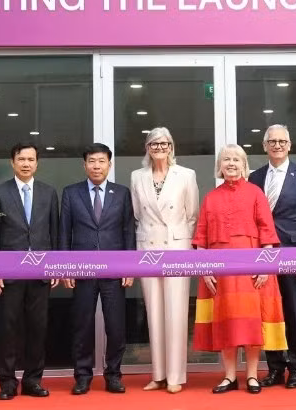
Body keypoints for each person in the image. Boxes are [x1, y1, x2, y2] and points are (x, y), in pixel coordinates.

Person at [192, 144, 287, 394]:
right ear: (219, 166)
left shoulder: (256, 193)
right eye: (226, 159)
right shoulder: (210, 198)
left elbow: (267, 232)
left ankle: (253, 376)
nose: (231, 163)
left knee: (252, 324)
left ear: (244, 166)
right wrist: (204, 270)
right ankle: (230, 376)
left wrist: (266, 266)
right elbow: (200, 238)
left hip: (253, 270)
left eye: (236, 159)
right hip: (220, 272)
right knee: (226, 323)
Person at [59, 143, 136, 395]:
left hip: (114, 271)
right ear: (85, 165)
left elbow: (128, 232)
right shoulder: (71, 193)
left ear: (109, 165)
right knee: (81, 325)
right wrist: (65, 268)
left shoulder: (121, 193)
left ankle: (113, 375)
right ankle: (82, 376)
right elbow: (64, 233)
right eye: (91, 161)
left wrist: (129, 267)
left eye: (101, 161)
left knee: (116, 326)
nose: (96, 166)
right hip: (82, 270)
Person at [0, 143, 59, 401]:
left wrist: (55, 266)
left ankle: (32, 380)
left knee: (38, 328)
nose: (26, 163)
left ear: (37, 163)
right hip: (9, 275)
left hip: (40, 274)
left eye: (31, 159)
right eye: (21, 159)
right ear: (12, 162)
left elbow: (54, 233)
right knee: (9, 329)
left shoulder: (48, 193)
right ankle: (7, 382)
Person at [248, 125, 296, 389]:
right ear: (265, 146)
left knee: (295, 312)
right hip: (262, 255)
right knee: (268, 313)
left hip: (294, 253)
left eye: (282, 141)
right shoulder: (254, 177)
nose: (277, 145)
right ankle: (275, 367)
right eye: (272, 141)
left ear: (289, 145)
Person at [130, 127, 199, 394]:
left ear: (172, 147)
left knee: (176, 312)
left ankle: (175, 375)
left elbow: (192, 214)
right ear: (147, 148)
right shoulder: (137, 176)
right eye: (154, 144)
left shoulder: (186, 175)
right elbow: (138, 213)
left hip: (176, 248)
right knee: (154, 313)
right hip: (147, 246)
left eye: (164, 144)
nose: (159, 148)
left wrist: (183, 242)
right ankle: (157, 374)